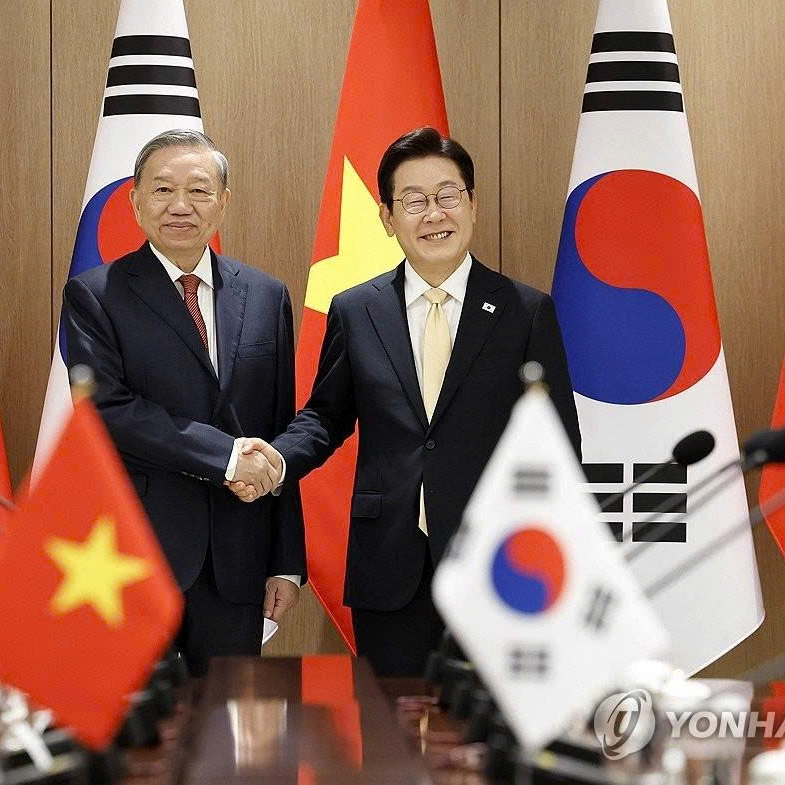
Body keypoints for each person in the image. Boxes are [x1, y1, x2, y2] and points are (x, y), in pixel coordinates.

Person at [233, 127, 582, 676]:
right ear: (387, 217)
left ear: (472, 203)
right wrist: (277, 460)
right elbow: (325, 417)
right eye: (414, 201)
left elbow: (557, 444)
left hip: (499, 568)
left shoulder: (525, 311)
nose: (434, 214)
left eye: (448, 196)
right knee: (391, 724)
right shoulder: (356, 310)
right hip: (389, 564)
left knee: (487, 725)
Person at [61, 129, 304, 676]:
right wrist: (226, 457)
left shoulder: (267, 296)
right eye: (163, 189)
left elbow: (279, 427)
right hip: (134, 555)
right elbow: (107, 410)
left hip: (239, 558)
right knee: (140, 719)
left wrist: (286, 562)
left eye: (198, 190)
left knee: (227, 718)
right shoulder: (95, 295)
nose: (180, 206)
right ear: (135, 201)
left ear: (223, 201)